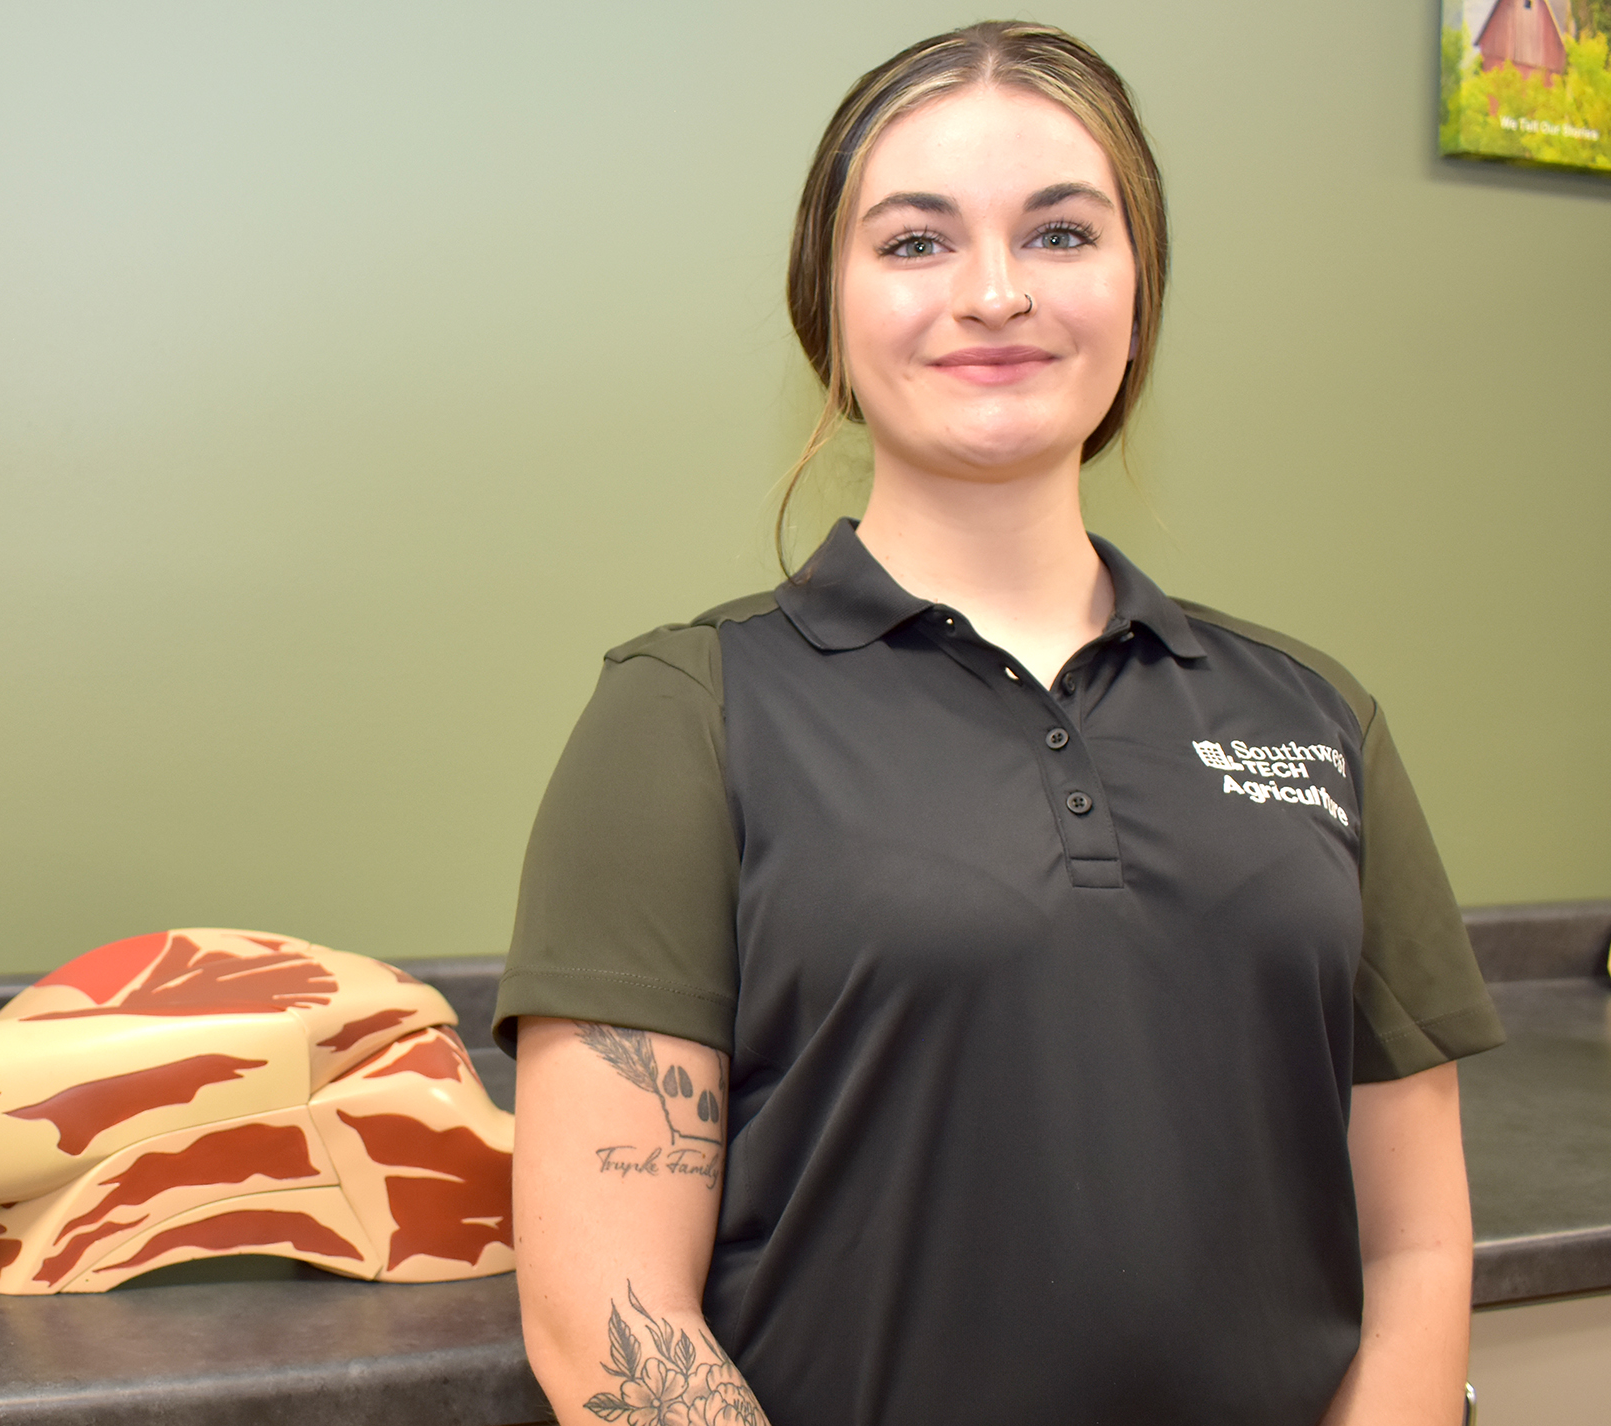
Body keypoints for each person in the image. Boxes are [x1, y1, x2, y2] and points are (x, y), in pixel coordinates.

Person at [492, 21, 1502, 1426]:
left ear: (1138, 290)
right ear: (827, 309)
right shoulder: (686, 716)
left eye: (1063, 234)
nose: (993, 292)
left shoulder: (1319, 715)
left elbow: (1414, 1242)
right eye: (914, 242)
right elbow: (606, 1314)